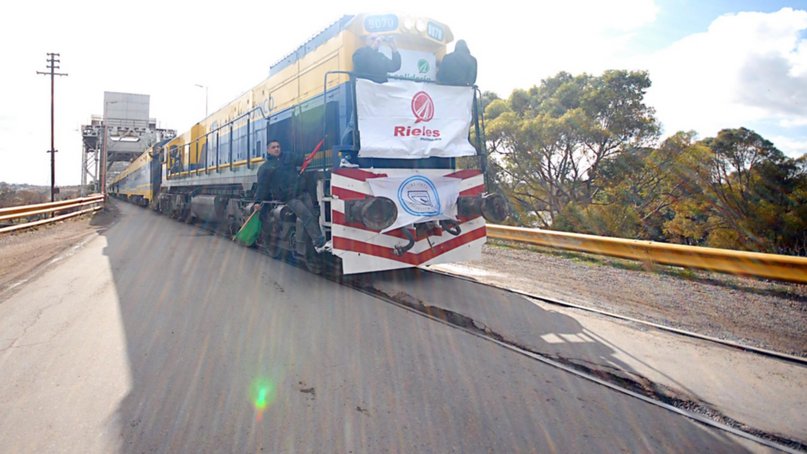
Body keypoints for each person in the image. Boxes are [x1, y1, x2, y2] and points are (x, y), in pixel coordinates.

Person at [253, 140, 326, 249]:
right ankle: (318, 241)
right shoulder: (265, 168)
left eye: (278, 146)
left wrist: (306, 160)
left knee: (314, 215)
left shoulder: (288, 156)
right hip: (289, 197)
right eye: (273, 147)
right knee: (306, 215)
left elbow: (302, 160)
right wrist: (257, 202)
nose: (276, 149)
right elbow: (262, 187)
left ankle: (313, 241)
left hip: (302, 192)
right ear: (268, 150)